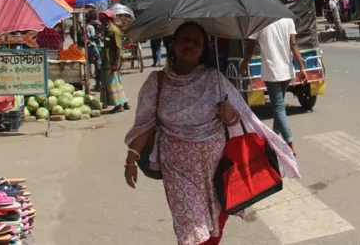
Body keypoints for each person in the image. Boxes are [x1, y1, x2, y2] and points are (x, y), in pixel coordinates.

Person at [124, 22, 299, 245]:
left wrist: (229, 115)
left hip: (217, 167)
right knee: (191, 228)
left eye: (196, 42)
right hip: (178, 171)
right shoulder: (156, 82)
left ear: (203, 49)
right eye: (184, 39)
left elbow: (243, 119)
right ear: (173, 45)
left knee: (215, 227)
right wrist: (131, 159)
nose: (190, 44)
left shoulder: (214, 79)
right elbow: (144, 124)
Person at [240, 0, 307, 154]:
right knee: (280, 108)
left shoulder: (259, 20)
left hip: (272, 72)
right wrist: (302, 68)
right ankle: (273, 140)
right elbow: (294, 45)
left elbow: (249, 49)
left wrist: (243, 64)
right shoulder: (287, 18)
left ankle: (289, 142)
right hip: (286, 70)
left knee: (278, 108)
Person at [99, 10, 130, 113]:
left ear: (109, 20)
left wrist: (115, 63)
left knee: (112, 83)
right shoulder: (106, 30)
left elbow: (118, 48)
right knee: (115, 82)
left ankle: (119, 105)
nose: (103, 21)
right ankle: (124, 102)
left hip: (111, 61)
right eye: (102, 19)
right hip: (106, 59)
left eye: (105, 19)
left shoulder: (114, 31)